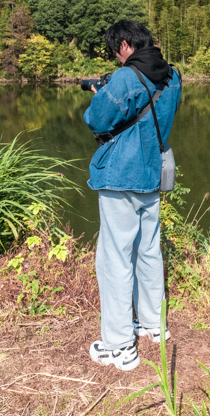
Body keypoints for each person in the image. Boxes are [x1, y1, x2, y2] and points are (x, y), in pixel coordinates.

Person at [83, 20, 182, 372]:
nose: (117, 57)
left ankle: (119, 345)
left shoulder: (125, 78)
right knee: (148, 250)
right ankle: (154, 324)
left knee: (115, 259)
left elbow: (96, 119)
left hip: (121, 177)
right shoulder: (172, 76)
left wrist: (99, 94)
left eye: (116, 51)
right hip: (151, 174)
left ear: (125, 45)